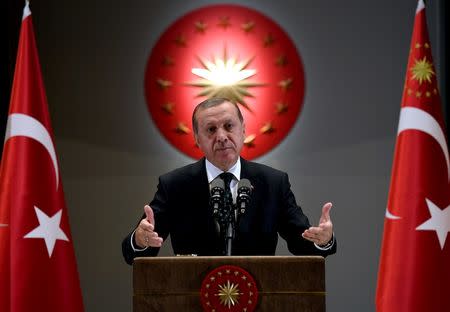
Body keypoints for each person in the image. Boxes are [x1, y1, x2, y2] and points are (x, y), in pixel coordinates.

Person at [122, 97, 336, 264]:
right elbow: (135, 250)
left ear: (243, 130)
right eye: (211, 129)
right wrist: (140, 240)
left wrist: (323, 241)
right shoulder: (174, 185)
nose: (222, 136)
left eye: (229, 126)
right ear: (197, 139)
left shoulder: (273, 183)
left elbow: (303, 244)